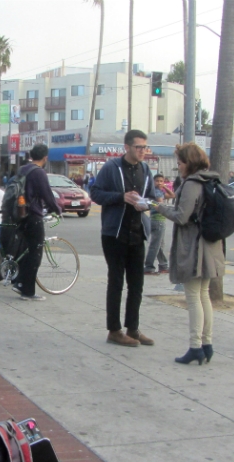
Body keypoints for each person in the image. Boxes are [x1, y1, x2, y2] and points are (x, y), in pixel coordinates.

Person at [153, 143, 225, 365]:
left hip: (195, 247)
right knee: (203, 295)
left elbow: (182, 217)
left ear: (189, 163)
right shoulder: (211, 179)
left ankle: (195, 347)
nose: (179, 166)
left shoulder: (193, 183)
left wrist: (159, 207)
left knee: (193, 296)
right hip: (210, 245)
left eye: (180, 162)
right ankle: (207, 344)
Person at [90, 129, 156, 347]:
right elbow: (96, 194)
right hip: (115, 234)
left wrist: (148, 202)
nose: (143, 151)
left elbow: (153, 197)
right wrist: (121, 197)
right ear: (126, 147)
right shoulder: (112, 167)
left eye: (145, 147)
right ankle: (114, 330)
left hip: (138, 233)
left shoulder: (145, 170)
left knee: (137, 284)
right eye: (139, 147)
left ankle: (133, 328)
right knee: (116, 282)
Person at [11, 143, 61, 301]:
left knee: (25, 251)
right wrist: (57, 210)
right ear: (45, 158)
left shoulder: (23, 169)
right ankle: (28, 291)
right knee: (35, 254)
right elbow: (47, 195)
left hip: (20, 214)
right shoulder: (39, 173)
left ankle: (19, 281)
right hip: (33, 216)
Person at [144, 173, 175, 275]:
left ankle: (163, 265)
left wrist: (165, 187)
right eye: (157, 181)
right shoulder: (157, 192)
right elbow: (160, 203)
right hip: (158, 220)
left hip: (154, 219)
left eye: (161, 181)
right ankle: (149, 267)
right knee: (155, 245)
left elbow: (172, 195)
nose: (159, 183)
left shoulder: (155, 192)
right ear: (153, 182)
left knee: (159, 245)